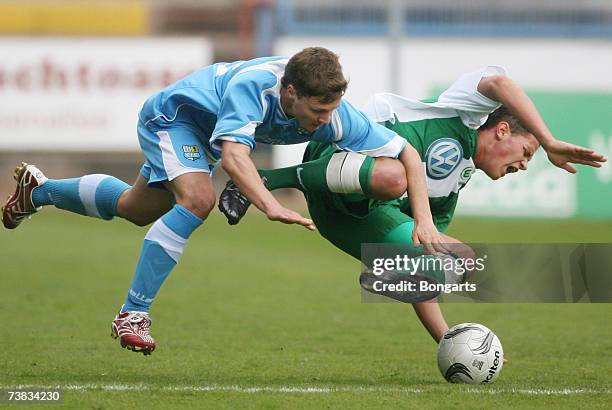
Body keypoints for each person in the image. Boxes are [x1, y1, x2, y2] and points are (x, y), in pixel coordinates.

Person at [2, 47, 445, 355]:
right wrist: (270, 204)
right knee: (198, 199)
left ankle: (38, 191)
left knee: (137, 209)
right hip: (173, 118)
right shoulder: (254, 87)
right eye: (317, 111)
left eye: (331, 111)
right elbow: (234, 155)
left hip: (201, 138)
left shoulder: (336, 115)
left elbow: (406, 154)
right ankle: (133, 314)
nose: (325, 121)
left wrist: (423, 220)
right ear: (291, 93)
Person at [218, 66, 607, 342]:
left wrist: (449, 340)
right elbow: (501, 82)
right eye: (525, 152)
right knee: (393, 176)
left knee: (461, 263)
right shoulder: (467, 114)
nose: (523, 165)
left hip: (347, 219)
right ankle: (267, 180)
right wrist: (550, 139)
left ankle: (380, 274)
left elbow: (421, 255)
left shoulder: (454, 181)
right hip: (336, 155)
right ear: (502, 129)